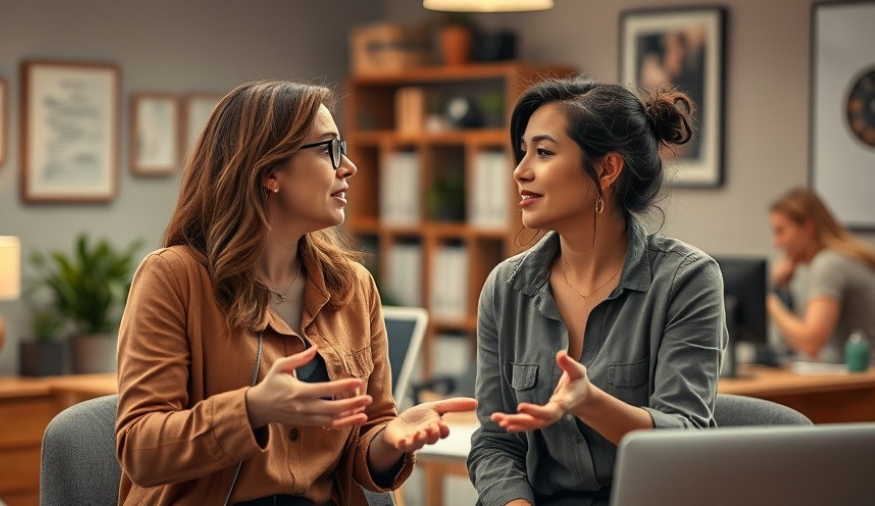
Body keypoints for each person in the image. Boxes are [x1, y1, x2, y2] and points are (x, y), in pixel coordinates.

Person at [115, 80, 477, 506]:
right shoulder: (173, 277)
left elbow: (366, 438)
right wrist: (253, 409)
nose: (349, 167)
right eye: (328, 149)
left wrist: (388, 442)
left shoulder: (354, 287)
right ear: (270, 173)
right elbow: (140, 450)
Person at [467, 76, 726, 506]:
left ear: (607, 169)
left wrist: (588, 402)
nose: (520, 170)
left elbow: (686, 442)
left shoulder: (687, 280)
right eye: (523, 151)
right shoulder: (505, 287)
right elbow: (496, 444)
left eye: (544, 152)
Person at [767, 187, 875, 362]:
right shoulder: (835, 259)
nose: (776, 243)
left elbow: (811, 343)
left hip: (861, 381)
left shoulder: (829, 264)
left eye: (781, 231)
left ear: (808, 226)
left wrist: (769, 301)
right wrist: (782, 289)